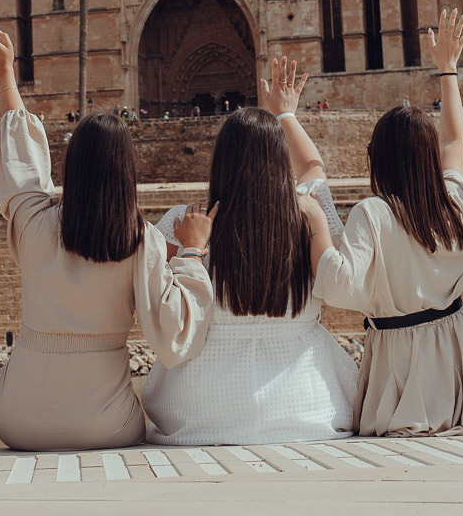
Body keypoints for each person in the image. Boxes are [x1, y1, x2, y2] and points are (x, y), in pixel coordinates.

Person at [0, 19, 214, 451]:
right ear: (127, 171)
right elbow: (176, 336)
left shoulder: (33, 222)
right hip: (106, 425)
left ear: (71, 166)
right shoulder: (142, 242)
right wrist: (192, 253)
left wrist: (5, 74)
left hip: (17, 422)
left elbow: (21, 159)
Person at [315, 11, 463, 436]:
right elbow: (454, 139)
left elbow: (338, 287)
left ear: (378, 159)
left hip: (402, 374)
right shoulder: (454, 205)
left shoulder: (372, 213)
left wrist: (317, 221)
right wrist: (448, 69)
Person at [142, 62, 358, 445]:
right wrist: (285, 113)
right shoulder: (309, 215)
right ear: (279, 161)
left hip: (201, 412)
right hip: (306, 406)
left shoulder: (185, 223)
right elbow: (312, 165)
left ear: (220, 162)